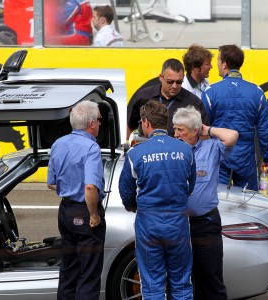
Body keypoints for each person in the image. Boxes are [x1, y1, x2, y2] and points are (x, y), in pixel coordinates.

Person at [119, 100, 196, 300]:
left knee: (153, 287)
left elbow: (126, 192)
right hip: (177, 224)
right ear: (166, 122)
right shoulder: (186, 150)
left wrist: (134, 206)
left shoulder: (135, 153)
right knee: (181, 284)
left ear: (146, 122)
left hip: (149, 225)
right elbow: (191, 186)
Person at [173, 106, 238, 300]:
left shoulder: (211, 148)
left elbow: (232, 136)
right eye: (174, 129)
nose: (176, 134)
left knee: (210, 279)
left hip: (205, 224)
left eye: (181, 130)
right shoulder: (173, 150)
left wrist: (207, 129)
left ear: (195, 131)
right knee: (181, 280)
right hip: (178, 225)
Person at [47, 100, 106, 300]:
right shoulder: (91, 148)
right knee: (89, 274)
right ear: (91, 123)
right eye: (99, 120)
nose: (100, 124)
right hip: (85, 211)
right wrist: (94, 215)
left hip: (66, 210)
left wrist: (70, 186)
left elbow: (51, 183)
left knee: (68, 270)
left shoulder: (58, 143)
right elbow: (90, 187)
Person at [202, 44, 268, 191]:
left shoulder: (210, 92)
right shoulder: (256, 91)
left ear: (224, 64)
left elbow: (202, 128)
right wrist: (266, 158)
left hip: (219, 155)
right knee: (248, 203)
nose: (216, 64)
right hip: (246, 157)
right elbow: (265, 130)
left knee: (217, 202)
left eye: (218, 60)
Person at [127, 58, 209, 138]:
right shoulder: (144, 95)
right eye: (170, 82)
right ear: (161, 77)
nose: (174, 86)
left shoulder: (193, 102)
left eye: (179, 82)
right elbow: (131, 126)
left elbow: (204, 133)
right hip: (147, 148)